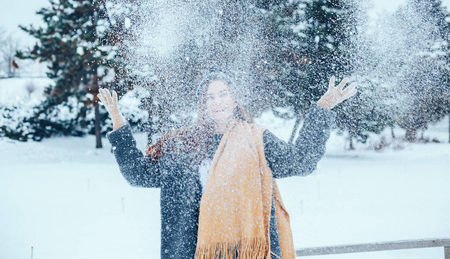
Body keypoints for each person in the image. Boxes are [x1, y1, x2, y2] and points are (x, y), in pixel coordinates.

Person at [99, 72, 357, 259]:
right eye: (210, 97)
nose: (217, 101)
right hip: (191, 252)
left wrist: (322, 109)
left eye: (223, 93)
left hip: (246, 252)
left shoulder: (257, 139)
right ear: (203, 106)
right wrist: (118, 120)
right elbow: (138, 174)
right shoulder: (183, 145)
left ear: (235, 100)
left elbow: (301, 161)